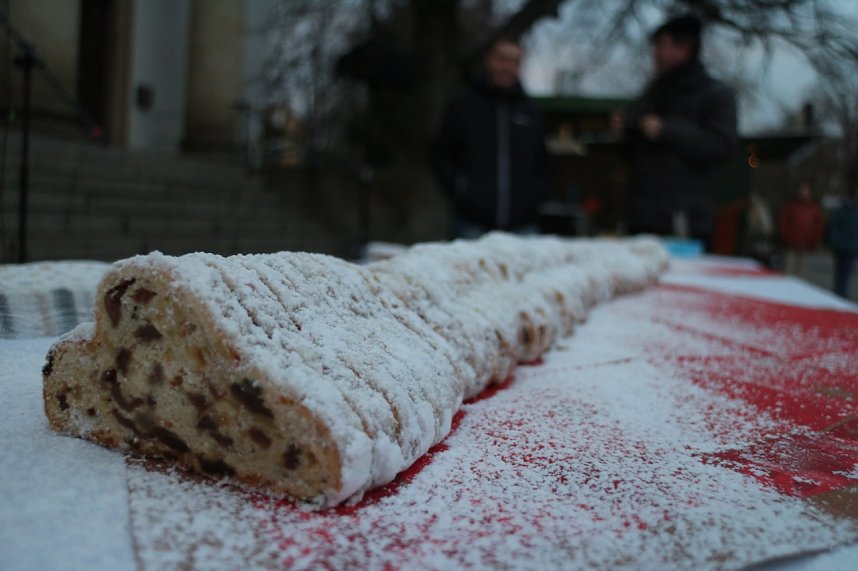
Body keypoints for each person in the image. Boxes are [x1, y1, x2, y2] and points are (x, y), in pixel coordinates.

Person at [612, 14, 738, 249]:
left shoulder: (714, 94)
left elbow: (723, 146)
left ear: (686, 48)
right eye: (656, 45)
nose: (656, 52)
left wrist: (666, 130)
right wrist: (623, 133)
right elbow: (630, 157)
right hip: (640, 219)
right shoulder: (651, 94)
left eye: (663, 45)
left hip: (684, 224)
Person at [432, 37, 549, 238]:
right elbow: (440, 154)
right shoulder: (463, 106)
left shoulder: (532, 112)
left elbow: (544, 163)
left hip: (523, 227)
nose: (507, 66)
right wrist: (461, 189)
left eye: (514, 61)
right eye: (502, 59)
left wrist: (534, 198)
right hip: (472, 224)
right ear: (489, 60)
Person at [778, 182, 824, 276]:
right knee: (788, 272)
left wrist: (811, 241)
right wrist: (788, 239)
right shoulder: (791, 207)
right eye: (802, 191)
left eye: (806, 191)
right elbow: (784, 224)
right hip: (791, 245)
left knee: (802, 274)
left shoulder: (814, 209)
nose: (804, 193)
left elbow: (818, 227)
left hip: (806, 246)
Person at [829, 193, 858, 299]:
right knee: (839, 273)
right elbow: (834, 227)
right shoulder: (841, 210)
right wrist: (835, 242)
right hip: (842, 247)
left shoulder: (842, 210)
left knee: (845, 274)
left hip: (851, 249)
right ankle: (838, 294)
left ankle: (841, 294)